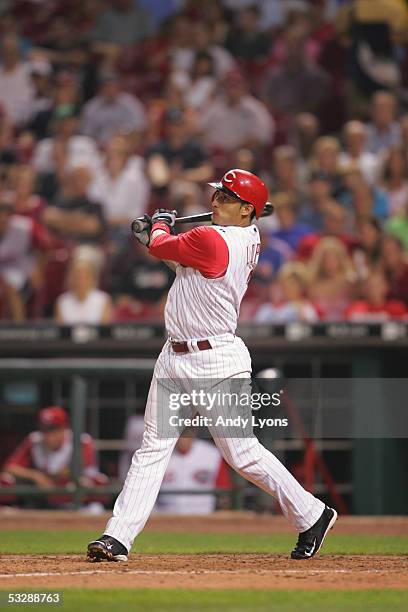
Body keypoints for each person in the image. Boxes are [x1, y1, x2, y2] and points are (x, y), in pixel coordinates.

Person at [87, 168, 337, 563]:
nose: (216, 200)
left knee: (242, 454)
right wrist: (157, 235)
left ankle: (312, 513)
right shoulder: (237, 237)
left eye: (226, 197)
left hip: (216, 358)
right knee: (152, 448)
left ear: (246, 211)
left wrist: (159, 227)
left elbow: (163, 247)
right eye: (217, 194)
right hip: (174, 355)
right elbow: (183, 264)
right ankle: (116, 537)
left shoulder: (212, 237)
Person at [1, 406, 108, 508]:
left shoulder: (81, 441)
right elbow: (10, 467)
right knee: (5, 480)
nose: (48, 435)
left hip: (77, 493)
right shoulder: (34, 440)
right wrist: (35, 476)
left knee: (92, 482)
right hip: (46, 492)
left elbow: (74, 470)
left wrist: (47, 478)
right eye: (44, 429)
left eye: (53, 429)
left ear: (64, 428)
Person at [156, 432, 231, 515]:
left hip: (203, 516)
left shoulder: (212, 454)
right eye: (179, 435)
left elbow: (224, 491)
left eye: (185, 434)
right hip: (165, 516)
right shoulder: (160, 453)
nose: (182, 439)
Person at [55, 255, 112, 325]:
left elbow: (105, 331)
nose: (81, 280)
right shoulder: (62, 301)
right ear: (71, 278)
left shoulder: (103, 299)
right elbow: (60, 331)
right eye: (77, 276)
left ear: (92, 278)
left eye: (85, 276)